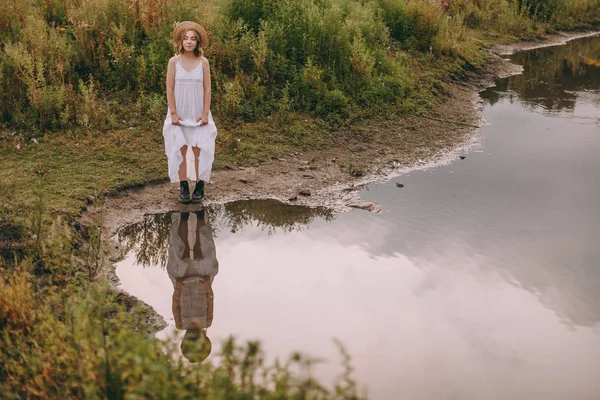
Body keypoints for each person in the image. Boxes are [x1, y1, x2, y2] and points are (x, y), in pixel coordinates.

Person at [163, 21, 217, 203]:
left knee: (198, 149)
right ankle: (184, 186)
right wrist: (173, 113)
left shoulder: (203, 62)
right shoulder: (173, 62)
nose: (189, 42)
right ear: (180, 41)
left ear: (197, 43)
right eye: (186, 38)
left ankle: (200, 185)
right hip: (179, 112)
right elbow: (169, 89)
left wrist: (204, 113)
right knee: (181, 148)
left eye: (193, 39)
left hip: (198, 112)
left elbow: (207, 89)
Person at [167, 209, 219, 363]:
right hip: (201, 282)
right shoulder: (207, 321)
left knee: (179, 251)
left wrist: (178, 288)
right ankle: (201, 219)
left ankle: (183, 219)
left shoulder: (180, 324)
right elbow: (210, 300)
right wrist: (208, 285)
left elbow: (175, 305)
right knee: (200, 250)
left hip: (182, 282)